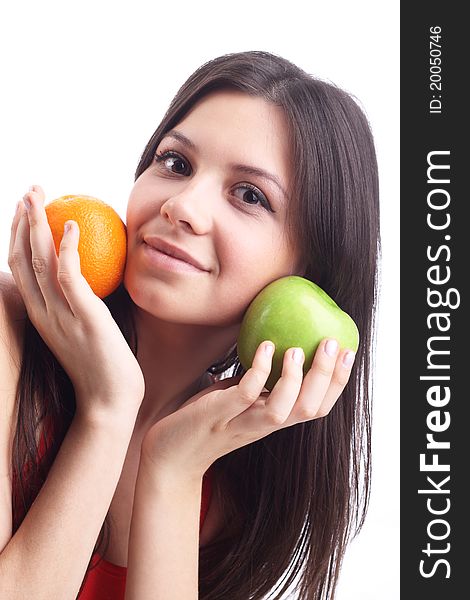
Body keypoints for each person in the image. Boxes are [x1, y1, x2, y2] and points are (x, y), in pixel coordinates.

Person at [0, 50, 380, 599]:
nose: (183, 204)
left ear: (308, 276)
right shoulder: (8, 334)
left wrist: (175, 470)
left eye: (249, 195)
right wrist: (108, 408)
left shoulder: (237, 481)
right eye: (176, 163)